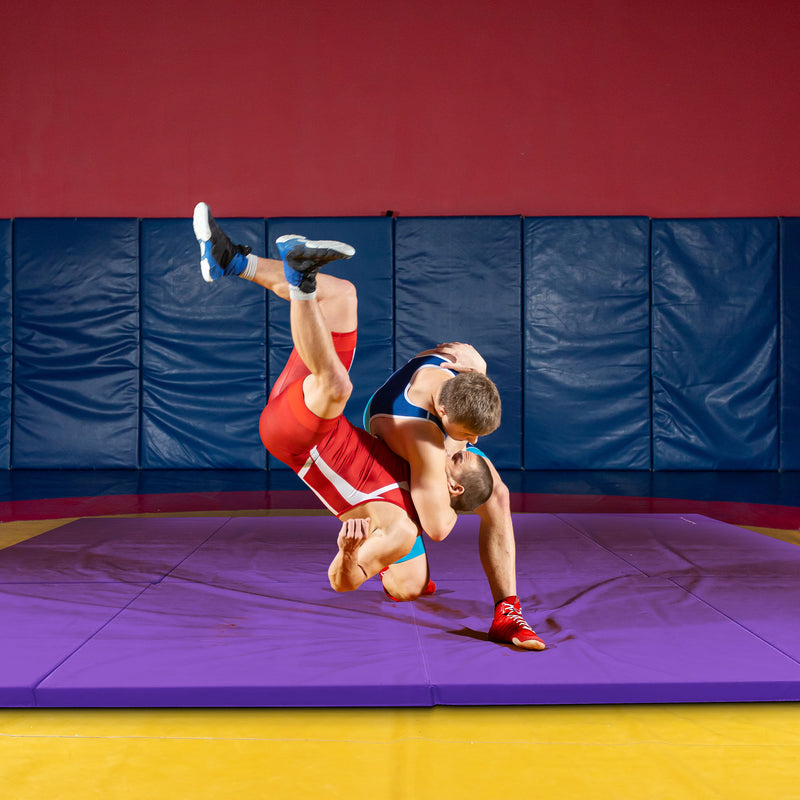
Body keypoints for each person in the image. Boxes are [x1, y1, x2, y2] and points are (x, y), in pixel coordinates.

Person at [192, 202, 492, 601]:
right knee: (342, 297)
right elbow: (420, 552)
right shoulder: (418, 477)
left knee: (338, 385)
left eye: (462, 455)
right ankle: (230, 260)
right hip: (310, 410)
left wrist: (350, 555)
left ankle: (300, 280)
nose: (460, 445)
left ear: (452, 488)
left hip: (298, 438)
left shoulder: (406, 523)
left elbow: (347, 579)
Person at [364, 336, 546, 651]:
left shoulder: (458, 364)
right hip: (389, 458)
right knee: (409, 588)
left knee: (496, 493)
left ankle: (507, 611)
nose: (474, 440)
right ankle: (384, 542)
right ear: (444, 410)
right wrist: (454, 495)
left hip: (435, 437)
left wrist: (482, 375)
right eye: (467, 434)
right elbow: (437, 529)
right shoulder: (426, 441)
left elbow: (436, 360)